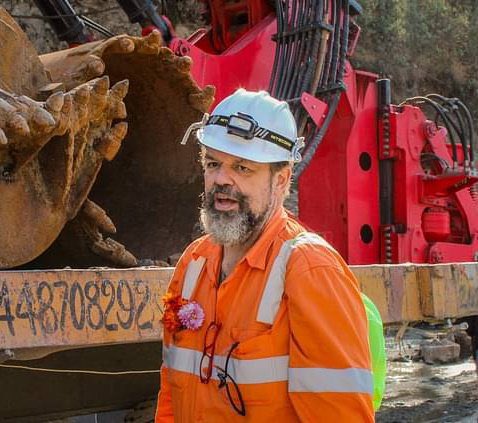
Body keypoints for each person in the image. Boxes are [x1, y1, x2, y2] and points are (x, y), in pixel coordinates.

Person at [155, 89, 374, 422]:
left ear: (281, 180)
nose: (221, 180)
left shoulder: (310, 270)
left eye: (243, 168)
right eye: (213, 164)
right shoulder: (193, 263)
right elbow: (171, 391)